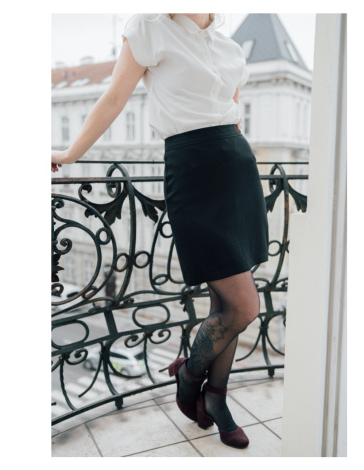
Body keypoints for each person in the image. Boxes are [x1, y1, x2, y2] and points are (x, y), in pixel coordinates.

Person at [52, 13, 269, 450]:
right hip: (192, 167)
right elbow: (115, 97)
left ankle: (216, 397)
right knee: (244, 306)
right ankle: (189, 376)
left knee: (226, 301)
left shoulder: (230, 47)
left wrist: (235, 146)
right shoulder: (149, 26)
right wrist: (70, 154)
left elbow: (232, 108)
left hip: (237, 168)